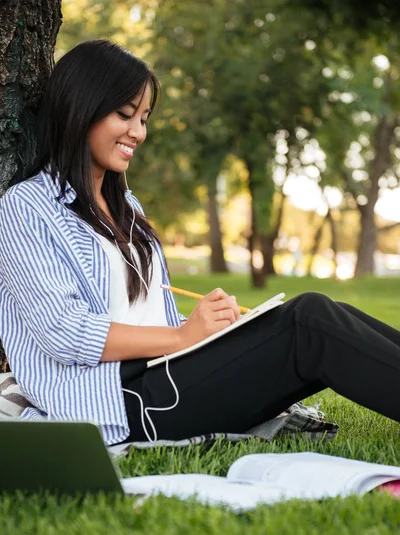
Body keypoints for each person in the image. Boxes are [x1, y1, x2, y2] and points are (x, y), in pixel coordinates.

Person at [0, 40, 399, 446]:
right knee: (309, 321)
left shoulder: (126, 206)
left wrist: (212, 334)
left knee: (327, 312)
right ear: (80, 108)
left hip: (169, 372)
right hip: (121, 401)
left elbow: (156, 314)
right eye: (125, 115)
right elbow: (65, 332)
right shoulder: (27, 208)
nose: (138, 133)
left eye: (144, 118)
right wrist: (183, 337)